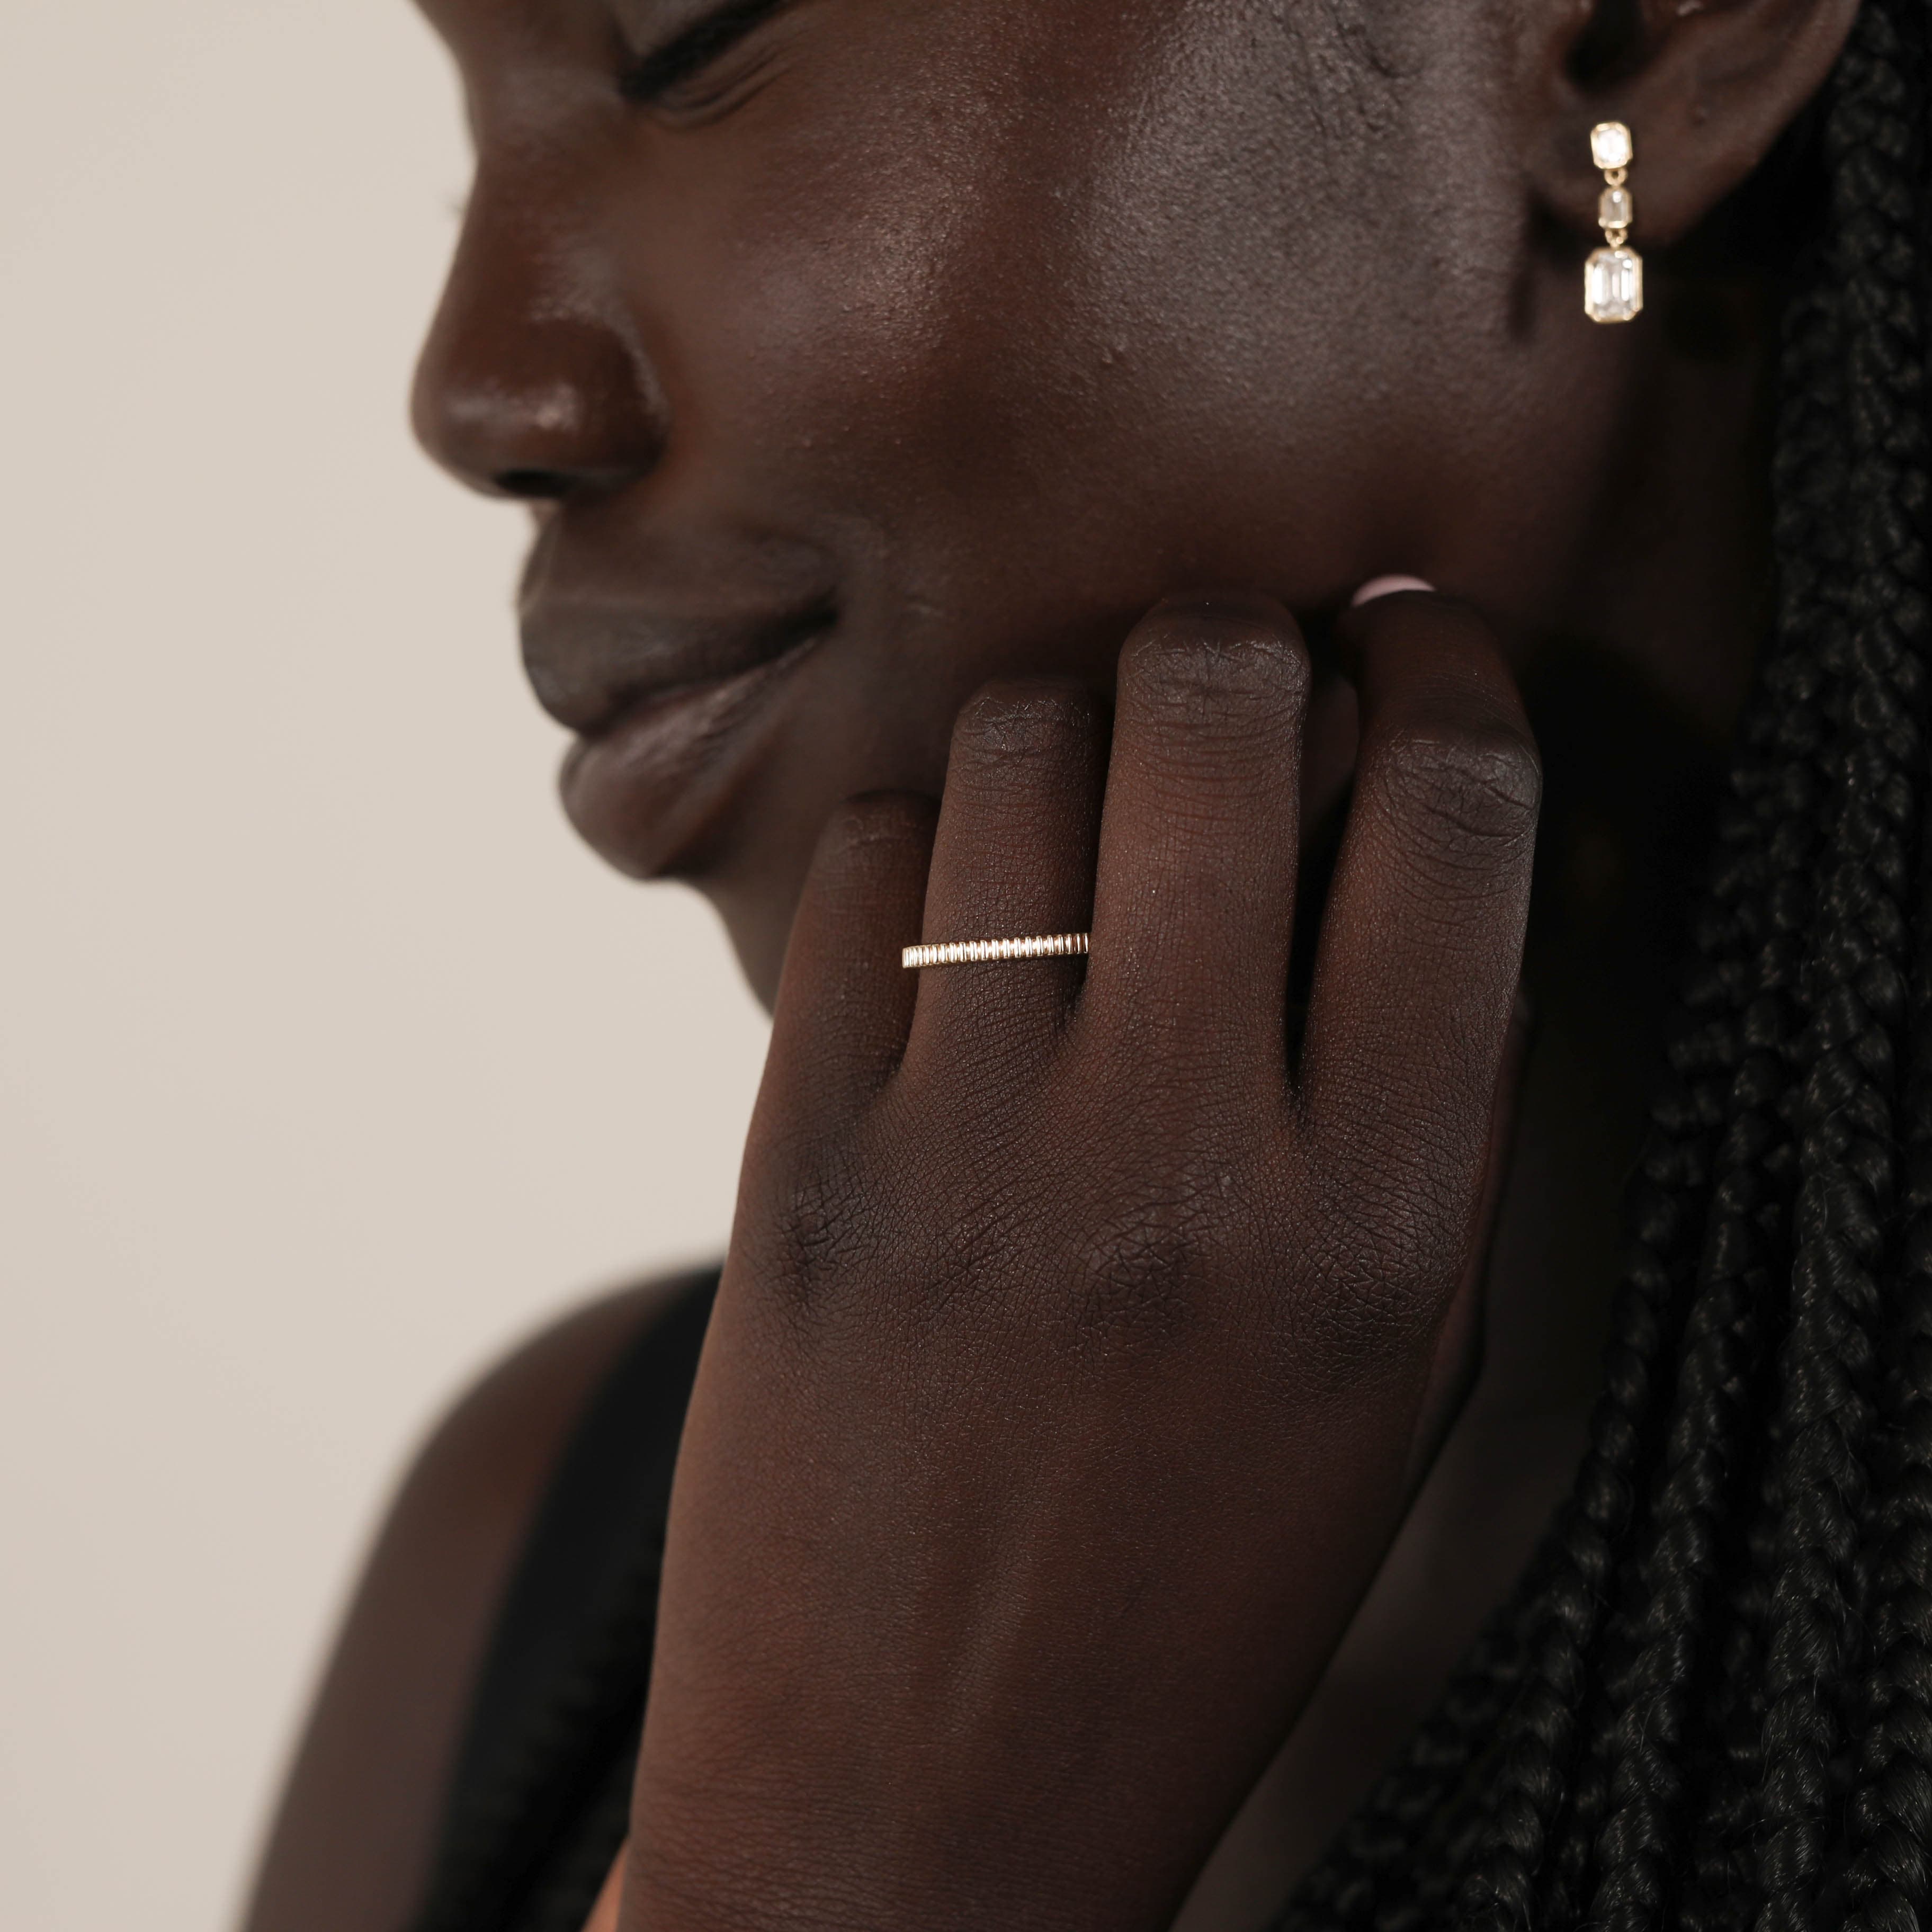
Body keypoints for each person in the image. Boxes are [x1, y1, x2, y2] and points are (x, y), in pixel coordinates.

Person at [239, 0, 1932, 1926]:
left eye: (689, 50)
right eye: (472, 157)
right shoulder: (554, 1535)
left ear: (1632, 40)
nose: (480, 395)